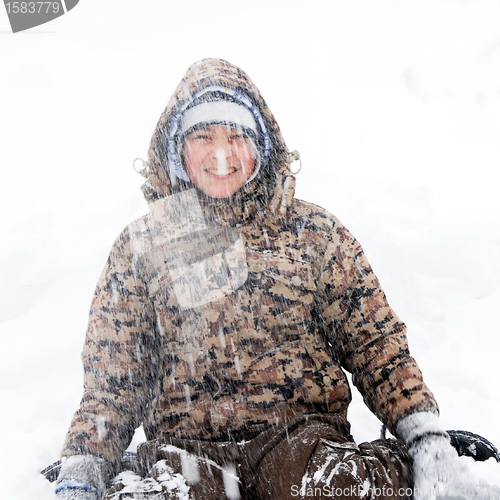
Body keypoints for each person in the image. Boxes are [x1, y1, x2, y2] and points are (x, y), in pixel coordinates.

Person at [55, 58, 483, 500]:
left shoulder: (313, 233)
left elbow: (376, 348)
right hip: (185, 450)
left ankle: (418, 471)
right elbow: (113, 383)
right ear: (177, 149)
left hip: (302, 441)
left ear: (261, 144)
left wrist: (424, 435)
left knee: (321, 489)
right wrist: (85, 464)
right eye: (203, 137)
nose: (221, 154)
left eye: (237, 135)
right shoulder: (142, 247)